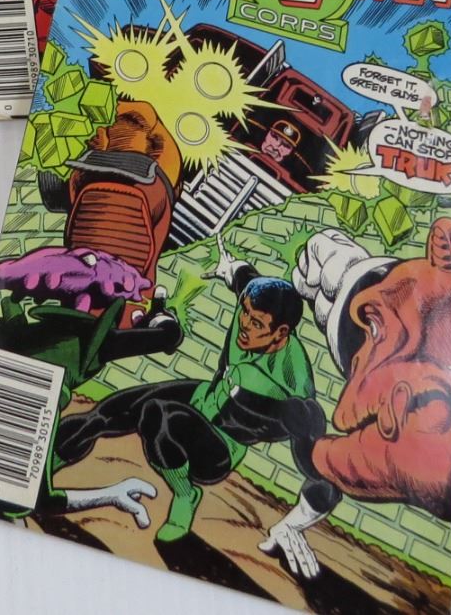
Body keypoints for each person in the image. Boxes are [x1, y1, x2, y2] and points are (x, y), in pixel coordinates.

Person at [56, 245, 338, 575]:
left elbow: (311, 436)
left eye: (256, 322)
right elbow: (244, 279)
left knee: (157, 415)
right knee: (109, 410)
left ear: (280, 334)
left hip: (219, 447)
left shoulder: (294, 379)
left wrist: (310, 501)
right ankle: (49, 464)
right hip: (204, 396)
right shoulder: (254, 304)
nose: (244, 325)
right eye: (244, 312)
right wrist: (231, 268)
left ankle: (184, 494)